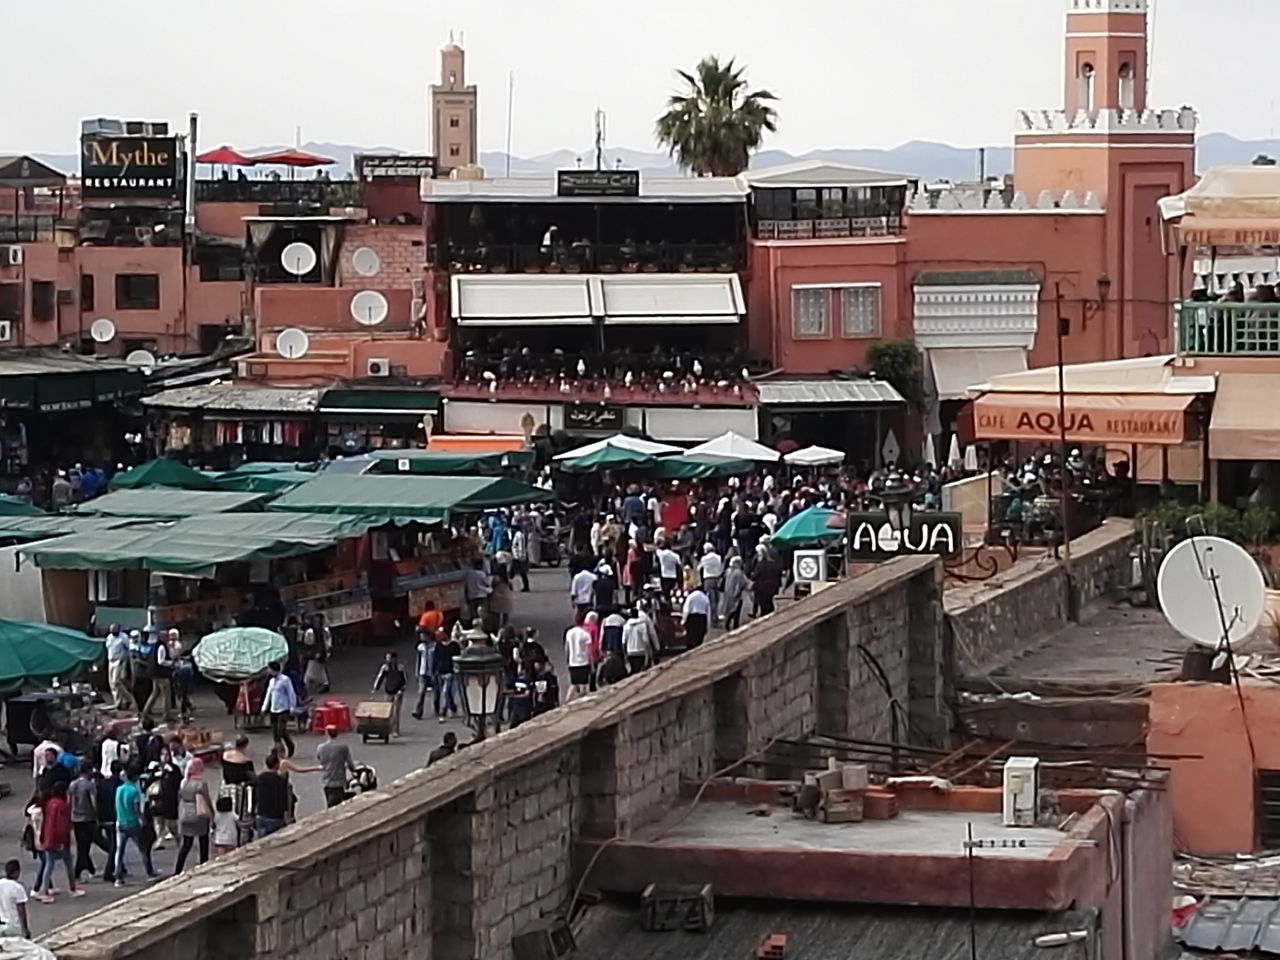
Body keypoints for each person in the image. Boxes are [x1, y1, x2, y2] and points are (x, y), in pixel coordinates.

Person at [34, 781, 80, 901]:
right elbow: (62, 825)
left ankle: (45, 890)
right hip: (60, 839)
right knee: (68, 863)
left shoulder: (49, 803)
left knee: (49, 864)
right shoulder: (64, 805)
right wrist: (64, 838)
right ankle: (72, 887)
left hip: (49, 837)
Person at [174, 758, 213, 873]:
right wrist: (212, 814)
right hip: (199, 814)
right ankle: (204, 866)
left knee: (186, 845)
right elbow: (207, 799)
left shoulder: (183, 782)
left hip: (185, 814)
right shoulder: (201, 784)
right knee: (203, 841)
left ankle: (178, 869)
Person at [69, 761, 100, 882]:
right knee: (84, 847)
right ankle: (77, 872)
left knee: (81, 845)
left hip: (76, 818)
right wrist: (96, 815)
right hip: (87, 818)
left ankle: (90, 869)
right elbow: (93, 802)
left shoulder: (73, 785)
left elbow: (70, 801)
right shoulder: (89, 785)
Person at [316, 725, 357, 808]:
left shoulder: (320, 747)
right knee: (337, 805)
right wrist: (354, 770)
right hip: (339, 780)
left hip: (326, 780)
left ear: (327, 733)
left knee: (329, 802)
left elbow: (320, 759)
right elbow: (350, 763)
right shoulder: (343, 747)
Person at [253, 751, 290, 838]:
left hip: (261, 815)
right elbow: (285, 798)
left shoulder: (260, 778)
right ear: (277, 764)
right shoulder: (281, 780)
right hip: (276, 817)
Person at [264, 661, 297, 757]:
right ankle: (279, 749)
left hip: (283, 709)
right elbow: (269, 694)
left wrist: (292, 706)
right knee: (275, 731)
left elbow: (291, 693)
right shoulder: (271, 681)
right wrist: (265, 706)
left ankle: (285, 748)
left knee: (280, 731)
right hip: (273, 709)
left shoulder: (285, 680)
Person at [371, 651, 407, 737]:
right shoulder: (385, 668)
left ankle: (395, 730)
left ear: (394, 659)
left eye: (390, 658)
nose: (388, 660)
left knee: (396, 712)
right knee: (387, 712)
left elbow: (404, 680)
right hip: (388, 691)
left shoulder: (400, 668)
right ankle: (387, 729)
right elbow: (380, 677)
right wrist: (376, 687)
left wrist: (402, 689)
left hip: (398, 691)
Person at [142, 630, 174, 721]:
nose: (168, 638)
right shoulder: (162, 647)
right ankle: (167, 715)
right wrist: (171, 663)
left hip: (153, 673)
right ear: (163, 637)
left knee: (155, 693)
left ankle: (145, 712)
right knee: (166, 695)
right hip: (161, 673)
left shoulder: (154, 646)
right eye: (166, 636)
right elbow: (161, 661)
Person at [624, 604, 660, 674]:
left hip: (630, 651)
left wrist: (625, 656)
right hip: (641, 651)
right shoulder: (644, 619)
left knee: (634, 672)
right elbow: (651, 634)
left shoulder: (626, 625)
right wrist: (657, 648)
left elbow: (624, 641)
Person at [564, 616, 593, 701]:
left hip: (573, 662)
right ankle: (581, 701)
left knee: (573, 684)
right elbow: (589, 651)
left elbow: (567, 647)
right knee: (584, 684)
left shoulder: (569, 632)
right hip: (583, 662)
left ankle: (567, 700)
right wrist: (592, 664)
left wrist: (568, 659)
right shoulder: (585, 634)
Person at [0, 859, 30, 939]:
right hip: (14, 926)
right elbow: (21, 911)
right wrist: (25, 930)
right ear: (17, 872)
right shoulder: (18, 888)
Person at [105, 624, 130, 710]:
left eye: (114, 630)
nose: (113, 632)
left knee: (117, 681)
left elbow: (128, 648)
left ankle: (127, 698)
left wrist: (125, 661)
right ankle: (118, 702)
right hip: (111, 660)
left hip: (120, 660)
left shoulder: (123, 637)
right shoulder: (109, 637)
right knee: (111, 682)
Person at [698, 543, 724, 624]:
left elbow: (699, 568)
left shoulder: (704, 559)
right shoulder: (718, 557)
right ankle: (715, 615)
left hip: (708, 580)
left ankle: (712, 618)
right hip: (717, 578)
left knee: (710, 600)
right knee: (716, 600)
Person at [721, 556, 750, 630]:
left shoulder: (728, 571)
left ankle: (727, 624)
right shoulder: (739, 572)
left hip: (727, 593)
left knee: (728, 609)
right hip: (737, 594)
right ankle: (735, 626)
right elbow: (744, 582)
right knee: (736, 611)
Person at [682, 584, 712, 648]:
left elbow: (686, 609)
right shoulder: (705, 597)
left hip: (692, 618)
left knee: (690, 638)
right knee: (699, 639)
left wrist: (683, 620)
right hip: (702, 618)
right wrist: (708, 626)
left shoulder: (691, 596)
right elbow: (708, 612)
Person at [510, 525, 531, 591]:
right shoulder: (517, 535)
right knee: (517, 572)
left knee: (521, 572)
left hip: (519, 555)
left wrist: (521, 555)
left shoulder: (519, 535)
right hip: (516, 555)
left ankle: (526, 586)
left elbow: (521, 546)